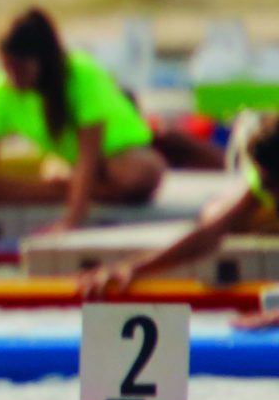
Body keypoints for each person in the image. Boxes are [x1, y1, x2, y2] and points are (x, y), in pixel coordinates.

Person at [0, 6, 165, 234]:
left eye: (21, 68)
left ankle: (68, 187)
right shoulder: (0, 87)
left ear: (43, 61)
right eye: (7, 67)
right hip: (66, 165)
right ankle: (66, 187)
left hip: (112, 159)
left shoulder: (81, 76)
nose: (13, 77)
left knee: (139, 174)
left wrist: (71, 221)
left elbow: (89, 156)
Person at [76, 115, 279, 330]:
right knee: (218, 212)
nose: (269, 193)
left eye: (272, 186)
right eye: (266, 186)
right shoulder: (266, 182)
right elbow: (208, 234)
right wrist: (132, 267)